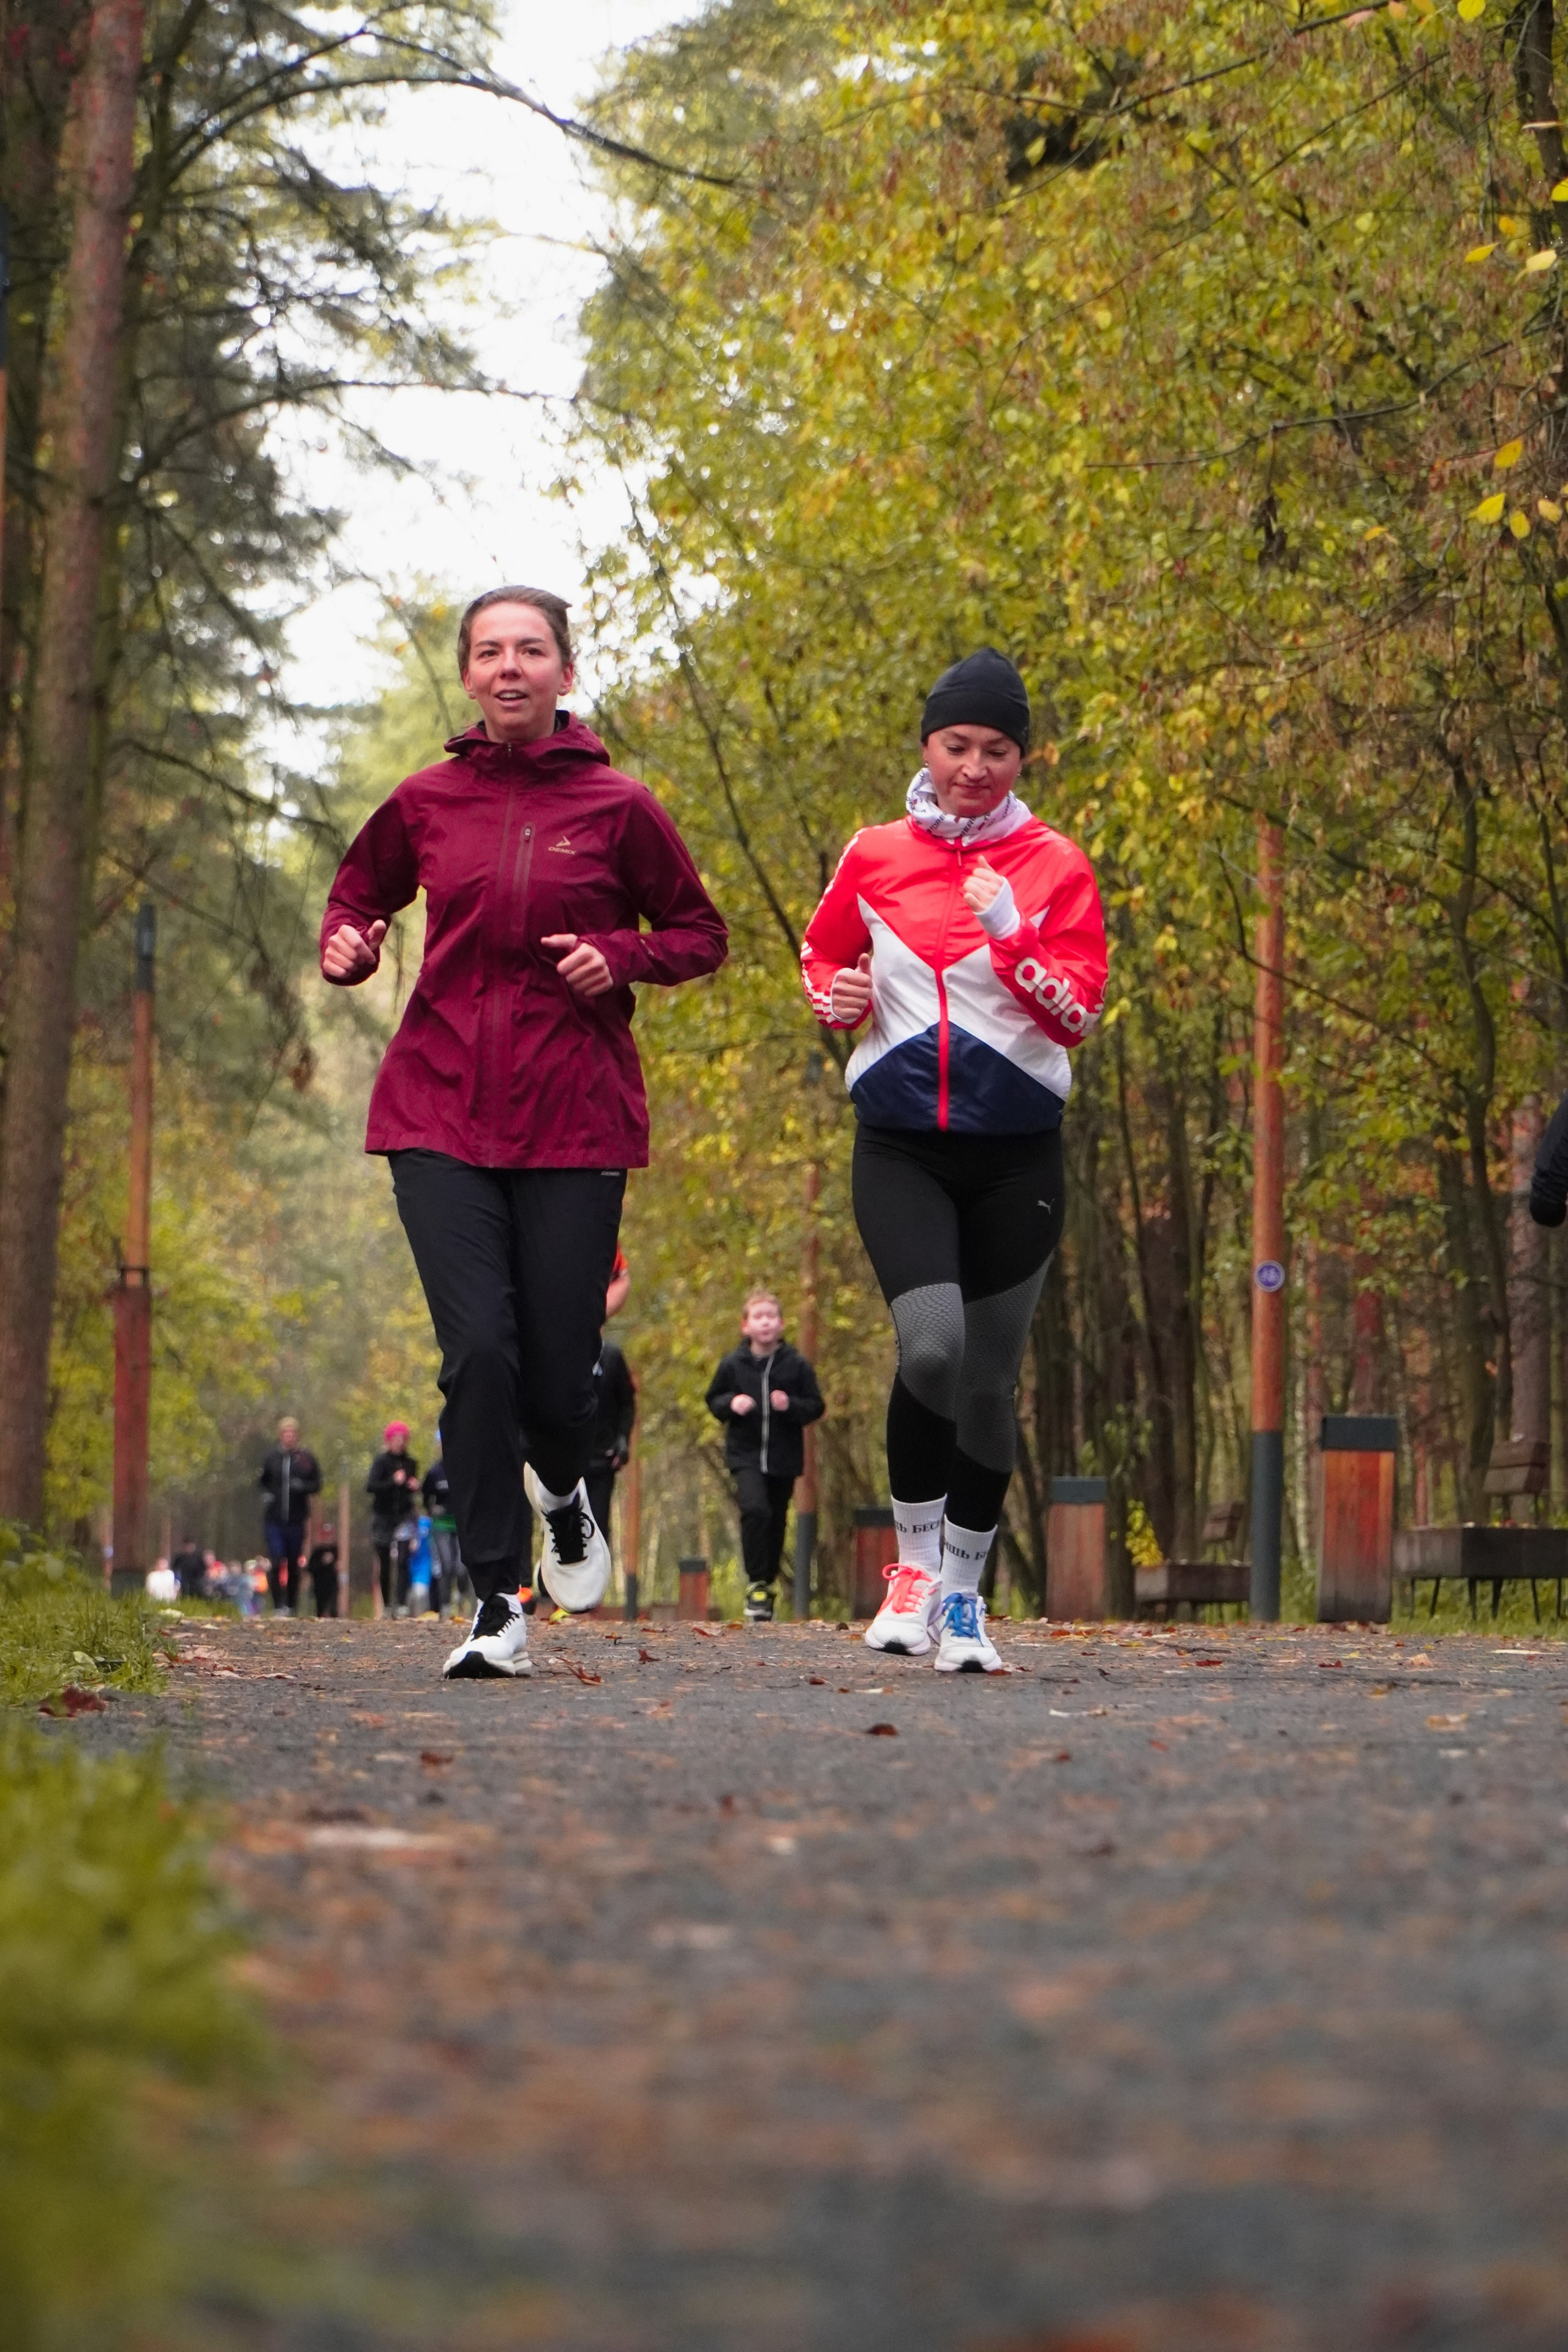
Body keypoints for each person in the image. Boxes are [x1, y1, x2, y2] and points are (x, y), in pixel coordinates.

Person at [320, 585, 726, 1679]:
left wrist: (622, 956)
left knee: (559, 1382)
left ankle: (564, 1487)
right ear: (469, 676)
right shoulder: (426, 801)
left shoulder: (619, 807)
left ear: (564, 672)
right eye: (491, 651)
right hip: (437, 1108)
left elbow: (699, 933)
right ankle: (498, 1599)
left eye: (531, 650)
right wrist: (350, 943)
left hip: (574, 1115)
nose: (510, 667)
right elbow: (357, 898)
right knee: (478, 1356)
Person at [800, 647, 1107, 1672]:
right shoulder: (874, 853)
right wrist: (835, 996)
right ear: (927, 746)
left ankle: (967, 1602)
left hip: (1017, 1155)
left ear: (1023, 757)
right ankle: (915, 1573)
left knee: (987, 1381)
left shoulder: (1057, 865)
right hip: (901, 1146)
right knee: (930, 1348)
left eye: (998, 750)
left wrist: (1012, 934)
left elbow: (1078, 1014)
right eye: (957, 745)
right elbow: (823, 954)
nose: (975, 767)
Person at [704, 1290, 824, 1621]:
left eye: (771, 1316)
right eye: (758, 1317)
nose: (765, 1323)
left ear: (782, 1324)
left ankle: (766, 1586)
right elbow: (713, 1399)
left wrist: (790, 1405)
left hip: (784, 1457)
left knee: (775, 1518)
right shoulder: (733, 1365)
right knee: (755, 1509)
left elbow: (816, 1406)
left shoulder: (796, 1365)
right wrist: (732, 1404)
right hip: (745, 1454)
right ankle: (756, 1581)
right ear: (746, 1326)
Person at [258, 1417, 322, 1616]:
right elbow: (262, 1482)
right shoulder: (272, 1458)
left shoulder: (305, 1459)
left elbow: (317, 1484)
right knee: (277, 1560)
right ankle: (278, 1605)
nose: (289, 1437)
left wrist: (303, 1487)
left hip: (296, 1519)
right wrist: (267, 1495)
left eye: (293, 1433)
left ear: (297, 1436)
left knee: (294, 1562)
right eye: (286, 1433)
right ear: (281, 1435)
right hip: (274, 1519)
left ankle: (292, 1605)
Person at [366, 1422, 420, 1616]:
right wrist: (393, 1482)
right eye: (396, 1439)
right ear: (389, 1441)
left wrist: (414, 1486)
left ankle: (402, 1604)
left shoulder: (411, 1463)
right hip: (383, 1517)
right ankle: (388, 1605)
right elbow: (371, 1486)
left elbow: (411, 1490)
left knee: (404, 1559)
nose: (400, 1442)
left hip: (404, 1517)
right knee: (385, 1562)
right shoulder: (381, 1462)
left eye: (403, 1439)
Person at [421, 1442, 464, 1616]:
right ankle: (445, 1605)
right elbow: (426, 1497)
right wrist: (432, 1509)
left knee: (462, 1567)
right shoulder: (434, 1472)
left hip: (462, 1525)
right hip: (441, 1525)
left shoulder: (464, 1469)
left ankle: (461, 1597)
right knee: (446, 1565)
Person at [306, 1523, 341, 1619]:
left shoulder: (334, 1550)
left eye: (329, 1536)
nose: (328, 1538)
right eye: (325, 1536)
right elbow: (310, 1568)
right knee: (321, 1605)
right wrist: (322, 1563)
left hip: (332, 1583)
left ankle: (334, 1617)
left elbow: (337, 1565)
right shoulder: (317, 1551)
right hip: (319, 1583)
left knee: (333, 1604)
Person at [171, 1536, 206, 1600]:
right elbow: (174, 1568)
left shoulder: (199, 1557)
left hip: (197, 1580)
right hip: (184, 1580)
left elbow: (203, 1569)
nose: (188, 1548)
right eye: (187, 1546)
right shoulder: (179, 1557)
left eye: (190, 1546)